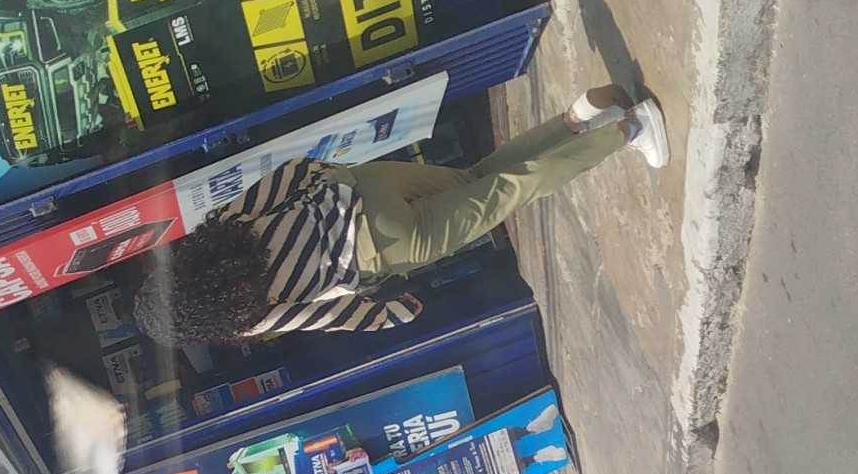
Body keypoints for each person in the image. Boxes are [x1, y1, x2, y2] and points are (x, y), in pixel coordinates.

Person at [130, 86, 668, 344]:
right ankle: (579, 118)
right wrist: (335, 178)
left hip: (387, 247)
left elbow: (326, 316)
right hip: (365, 187)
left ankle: (630, 129)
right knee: (476, 178)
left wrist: (393, 315)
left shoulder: (247, 314)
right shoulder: (222, 228)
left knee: (508, 192)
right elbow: (285, 175)